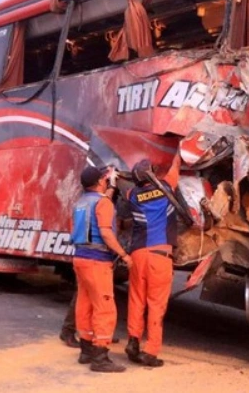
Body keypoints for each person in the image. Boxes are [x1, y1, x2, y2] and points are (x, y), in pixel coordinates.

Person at [71, 165, 132, 373]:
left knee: (85, 303)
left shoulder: (81, 202)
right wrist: (123, 254)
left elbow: (99, 202)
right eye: (104, 179)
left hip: (80, 258)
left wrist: (112, 186)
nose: (106, 181)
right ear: (99, 182)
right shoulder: (103, 204)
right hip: (98, 261)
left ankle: (86, 350)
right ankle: (100, 356)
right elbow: (105, 233)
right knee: (104, 306)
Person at [124, 155, 180, 367]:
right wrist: (178, 151)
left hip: (138, 254)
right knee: (156, 304)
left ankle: (133, 341)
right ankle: (150, 352)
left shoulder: (131, 195)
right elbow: (176, 166)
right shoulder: (167, 187)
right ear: (152, 174)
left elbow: (126, 189)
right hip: (160, 255)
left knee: (136, 300)